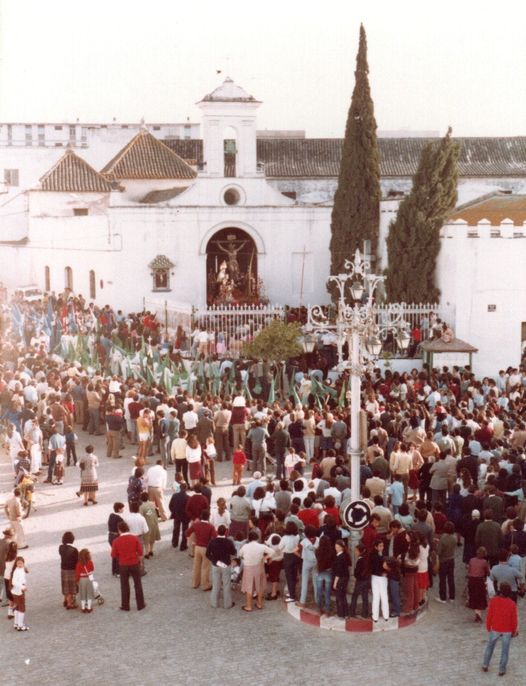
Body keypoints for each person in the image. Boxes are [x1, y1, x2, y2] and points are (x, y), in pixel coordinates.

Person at [482, 582, 519, 677]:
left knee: (490, 646)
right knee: (505, 650)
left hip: (495, 627)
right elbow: (514, 619)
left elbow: (489, 615)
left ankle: (485, 664)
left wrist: (488, 626)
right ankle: (501, 670)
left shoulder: (493, 601)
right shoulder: (512, 603)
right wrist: (514, 631)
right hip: (507, 629)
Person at [111, 521, 146, 611]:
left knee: (124, 585)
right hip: (134, 563)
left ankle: (125, 605)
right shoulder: (134, 538)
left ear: (119, 530)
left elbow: (113, 555)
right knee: (137, 584)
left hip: (123, 565)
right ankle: (140, 604)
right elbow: (140, 552)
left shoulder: (116, 541)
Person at [239, 530, 273, 612]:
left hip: (248, 568)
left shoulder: (245, 546)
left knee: (249, 586)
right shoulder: (261, 546)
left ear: (249, 538)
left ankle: (249, 606)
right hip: (259, 567)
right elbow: (272, 552)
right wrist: (265, 558)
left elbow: (240, 555)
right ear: (257, 538)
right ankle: (259, 604)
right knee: (260, 585)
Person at [206, 524, 237, 609]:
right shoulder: (228, 542)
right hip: (226, 565)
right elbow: (234, 552)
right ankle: (227, 604)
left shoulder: (212, 541)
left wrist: (214, 561)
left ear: (217, 532)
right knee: (226, 584)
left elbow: (207, 554)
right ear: (226, 532)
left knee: (216, 584)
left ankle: (214, 603)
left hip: (215, 565)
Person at [185, 509, 216, 591]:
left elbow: (187, 533)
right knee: (205, 567)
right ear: (208, 517)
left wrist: (192, 541)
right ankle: (205, 585)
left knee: (196, 565)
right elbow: (214, 538)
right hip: (206, 548)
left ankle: (195, 583)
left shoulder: (196, 525)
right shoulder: (211, 527)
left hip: (197, 548)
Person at [298, 525, 319, 608]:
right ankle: (317, 601)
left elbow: (297, 549)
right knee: (316, 581)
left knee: (304, 582)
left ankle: (302, 602)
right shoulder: (318, 539)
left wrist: (300, 555)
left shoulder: (304, 541)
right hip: (316, 562)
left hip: (306, 562)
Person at [467, 546, 490, 623]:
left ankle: (477, 613)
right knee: (480, 598)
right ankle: (478, 614)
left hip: (471, 580)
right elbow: (488, 572)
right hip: (479, 581)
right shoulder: (484, 562)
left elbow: (469, 570)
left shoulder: (471, 560)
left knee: (473, 597)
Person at [436, 521, 456, 603]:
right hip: (451, 559)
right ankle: (452, 596)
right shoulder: (454, 537)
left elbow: (439, 552)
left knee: (442, 579)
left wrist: (438, 544)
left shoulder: (443, 538)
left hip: (443, 560)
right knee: (451, 578)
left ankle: (443, 597)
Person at [349, 543, 370, 619]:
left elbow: (356, 573)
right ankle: (365, 614)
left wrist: (355, 574)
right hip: (367, 581)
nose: (355, 552)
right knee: (365, 597)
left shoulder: (360, 560)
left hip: (360, 581)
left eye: (356, 551)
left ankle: (352, 613)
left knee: (354, 596)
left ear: (361, 551)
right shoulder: (367, 558)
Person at [370, 539, 389, 622]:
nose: (382, 547)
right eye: (380, 546)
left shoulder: (383, 554)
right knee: (377, 596)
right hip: (377, 577)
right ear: (376, 547)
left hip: (380, 577)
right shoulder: (374, 555)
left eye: (383, 546)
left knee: (383, 596)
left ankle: (384, 616)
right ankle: (376, 616)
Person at [59, 531, 79, 609]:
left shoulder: (60, 547)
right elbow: (76, 561)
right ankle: (70, 603)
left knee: (65, 585)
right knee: (71, 587)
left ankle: (65, 600)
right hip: (71, 570)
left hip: (63, 569)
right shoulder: (74, 550)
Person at [332, 539, 351, 619]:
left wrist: (335, 583)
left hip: (340, 578)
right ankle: (346, 613)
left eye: (337, 547)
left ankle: (341, 614)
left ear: (341, 548)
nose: (336, 548)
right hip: (345, 578)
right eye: (335, 547)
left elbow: (338, 572)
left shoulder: (340, 557)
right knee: (343, 596)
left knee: (339, 596)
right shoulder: (345, 555)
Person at [139, 492, 161, 559]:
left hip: (147, 524)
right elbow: (155, 511)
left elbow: (141, 517)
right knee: (152, 538)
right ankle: (151, 550)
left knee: (146, 540)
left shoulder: (141, 507)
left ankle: (147, 553)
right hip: (154, 522)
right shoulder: (152, 503)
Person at [169, 482, 190, 550]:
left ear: (180, 488)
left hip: (176, 515)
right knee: (185, 530)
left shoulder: (174, 495)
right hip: (185, 516)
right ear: (186, 489)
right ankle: (183, 545)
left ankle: (175, 543)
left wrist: (174, 512)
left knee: (176, 529)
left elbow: (170, 506)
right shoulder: (188, 497)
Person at [11, 555, 29, 631]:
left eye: (21, 563)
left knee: (17, 607)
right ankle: (20, 625)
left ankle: (16, 623)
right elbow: (14, 582)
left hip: (15, 591)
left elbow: (25, 570)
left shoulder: (19, 569)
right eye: (18, 563)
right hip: (19, 591)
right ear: (16, 564)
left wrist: (25, 568)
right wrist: (23, 587)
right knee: (21, 607)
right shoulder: (17, 571)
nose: (20, 565)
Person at [108, 502, 125, 577]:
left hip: (110, 536)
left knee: (114, 553)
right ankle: (118, 572)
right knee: (119, 554)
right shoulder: (120, 518)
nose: (123, 510)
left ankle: (114, 570)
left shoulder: (111, 515)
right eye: (122, 508)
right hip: (116, 536)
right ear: (119, 509)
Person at [75, 548, 95, 613]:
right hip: (89, 579)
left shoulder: (78, 564)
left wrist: (77, 581)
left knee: (82, 593)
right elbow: (92, 570)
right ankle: (89, 607)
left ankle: (83, 608)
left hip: (82, 580)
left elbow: (77, 574)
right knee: (89, 593)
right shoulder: (90, 562)